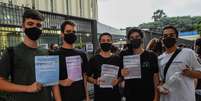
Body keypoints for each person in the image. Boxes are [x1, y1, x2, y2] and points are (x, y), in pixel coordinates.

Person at [0, 9, 61, 101]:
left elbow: (54, 84)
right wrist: (28, 88)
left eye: (38, 25)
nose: (35, 27)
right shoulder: (11, 52)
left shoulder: (48, 53)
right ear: (23, 26)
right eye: (30, 24)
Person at [158, 25, 201, 101]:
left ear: (177, 38)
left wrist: (190, 73)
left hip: (186, 97)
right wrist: (160, 88)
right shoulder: (160, 59)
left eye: (171, 35)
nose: (168, 37)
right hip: (167, 98)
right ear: (162, 39)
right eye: (165, 36)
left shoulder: (188, 53)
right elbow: (161, 81)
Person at [51, 20, 89, 101]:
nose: (71, 34)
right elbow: (51, 81)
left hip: (80, 97)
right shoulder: (54, 55)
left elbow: (84, 77)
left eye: (74, 32)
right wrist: (61, 82)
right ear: (62, 34)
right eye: (68, 31)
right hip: (64, 97)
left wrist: (87, 97)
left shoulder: (82, 54)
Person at [120, 28, 160, 101]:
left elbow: (155, 78)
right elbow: (119, 75)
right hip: (130, 96)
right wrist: (121, 73)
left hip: (148, 96)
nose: (134, 39)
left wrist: (156, 97)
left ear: (141, 38)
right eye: (132, 38)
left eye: (137, 37)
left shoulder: (151, 55)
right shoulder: (124, 55)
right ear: (129, 40)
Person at [86, 32, 122, 101]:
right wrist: (95, 81)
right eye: (103, 41)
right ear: (100, 42)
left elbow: (122, 77)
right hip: (99, 96)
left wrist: (118, 81)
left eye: (108, 40)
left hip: (115, 96)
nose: (106, 42)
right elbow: (87, 77)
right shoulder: (93, 59)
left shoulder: (117, 59)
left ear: (112, 42)